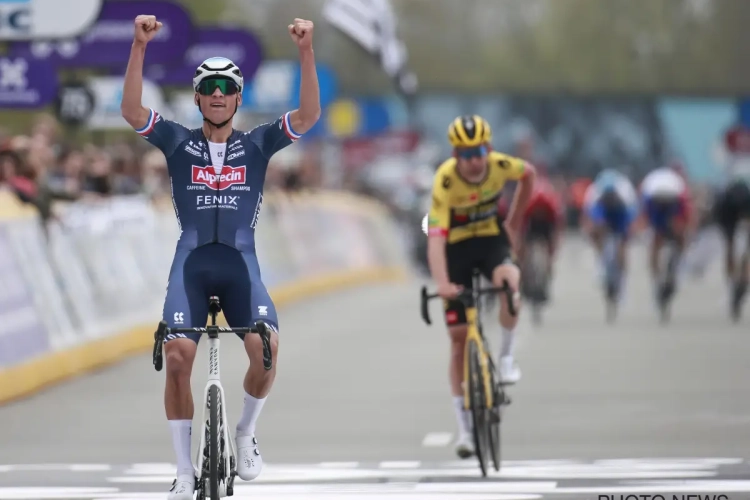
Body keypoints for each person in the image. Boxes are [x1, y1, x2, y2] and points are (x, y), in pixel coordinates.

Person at [120, 14, 321, 500]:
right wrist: (139, 45)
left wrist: (306, 50)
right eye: (207, 86)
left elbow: (309, 115)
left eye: (225, 87)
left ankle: (246, 434)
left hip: (240, 266)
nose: (216, 94)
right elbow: (130, 110)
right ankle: (184, 473)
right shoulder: (176, 141)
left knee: (266, 350)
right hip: (191, 263)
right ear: (197, 96)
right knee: (177, 354)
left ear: (237, 97)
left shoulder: (257, 143)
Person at [426, 115, 536, 459]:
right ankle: (465, 428)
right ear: (455, 154)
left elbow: (528, 175)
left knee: (510, 281)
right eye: (466, 154)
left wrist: (514, 221)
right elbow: (435, 239)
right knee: (458, 338)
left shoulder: (501, 165)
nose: (474, 161)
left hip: (490, 241)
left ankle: (505, 358)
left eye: (479, 152)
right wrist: (443, 283)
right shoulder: (444, 180)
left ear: (488, 149)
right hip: (456, 248)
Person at [639, 164, 693, 303]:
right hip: (665, 199)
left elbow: (643, 214)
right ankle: (673, 269)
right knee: (679, 236)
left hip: (656, 199)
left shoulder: (654, 181)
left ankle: (656, 277)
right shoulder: (679, 185)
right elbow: (688, 215)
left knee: (656, 242)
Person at [581, 169, 639, 294]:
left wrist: (629, 233)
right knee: (596, 231)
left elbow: (632, 218)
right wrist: (592, 232)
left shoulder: (625, 193)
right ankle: (600, 260)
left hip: (621, 211)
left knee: (623, 243)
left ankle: (623, 280)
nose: (609, 198)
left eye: (611, 196)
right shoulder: (594, 193)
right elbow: (588, 217)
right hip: (602, 210)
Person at [713, 123, 750, 314]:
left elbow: (719, 163)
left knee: (729, 244)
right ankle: (743, 279)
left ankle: (732, 286)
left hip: (728, 196)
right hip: (740, 194)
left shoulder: (726, 146)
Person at [517, 174, 565, 302]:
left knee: (550, 253)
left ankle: (546, 279)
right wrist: (520, 249)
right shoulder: (530, 204)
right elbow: (521, 225)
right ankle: (523, 279)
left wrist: (553, 249)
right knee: (522, 252)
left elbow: (556, 227)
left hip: (547, 224)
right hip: (532, 223)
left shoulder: (551, 205)